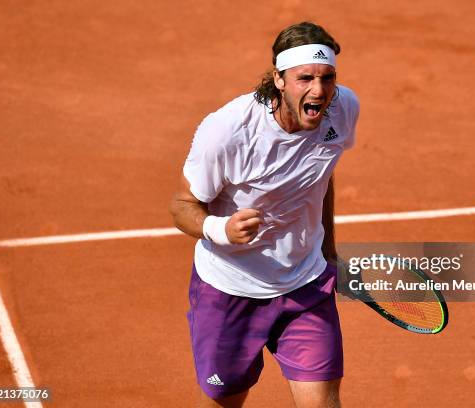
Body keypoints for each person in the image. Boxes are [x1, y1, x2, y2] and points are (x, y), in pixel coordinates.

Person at [170, 21, 359, 408]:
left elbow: (320, 175)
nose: (319, 91)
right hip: (230, 290)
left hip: (304, 284)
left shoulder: (343, 109)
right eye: (305, 77)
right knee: (225, 402)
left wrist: (330, 252)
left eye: (328, 78)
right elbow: (182, 205)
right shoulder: (228, 131)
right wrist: (220, 228)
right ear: (278, 78)